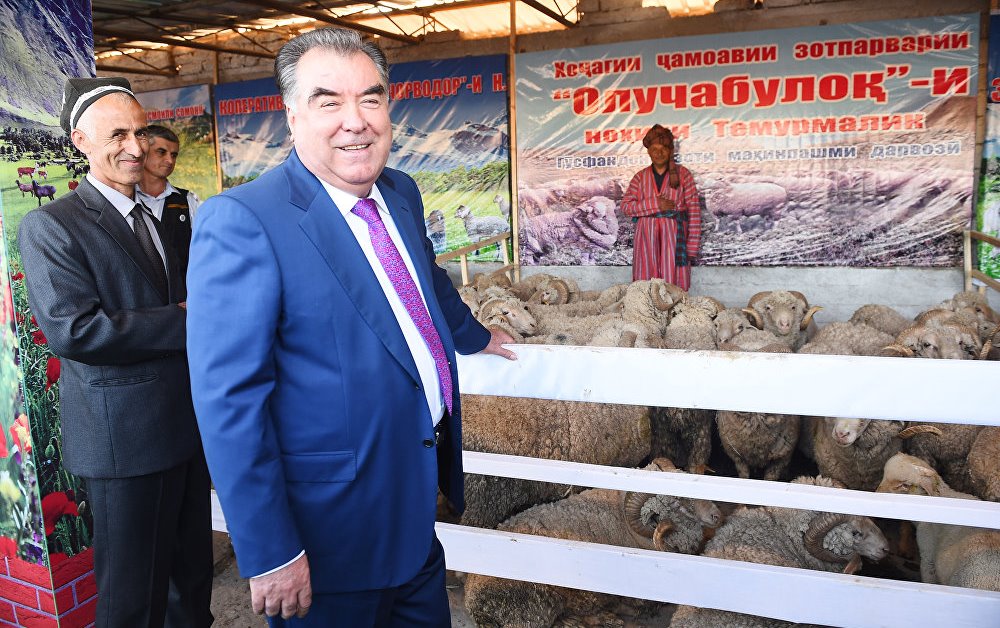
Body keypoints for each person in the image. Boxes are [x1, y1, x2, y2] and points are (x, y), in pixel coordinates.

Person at [185, 28, 517, 626]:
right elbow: (229, 403)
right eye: (328, 101)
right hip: (326, 541)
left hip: (414, 512)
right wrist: (271, 550)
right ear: (292, 117)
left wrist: (475, 336)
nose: (355, 121)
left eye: (370, 98)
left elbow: (425, 279)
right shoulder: (243, 220)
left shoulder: (400, 192)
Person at [16, 78, 213, 627]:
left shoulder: (154, 215)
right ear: (80, 141)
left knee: (191, 589)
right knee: (133, 605)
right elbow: (74, 331)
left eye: (140, 132)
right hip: (124, 442)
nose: (135, 147)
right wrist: (187, 319)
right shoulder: (51, 225)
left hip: (185, 430)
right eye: (117, 135)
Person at [620, 124, 702, 290]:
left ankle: (673, 306)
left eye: (663, 148)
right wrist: (656, 204)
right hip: (646, 239)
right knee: (645, 286)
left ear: (670, 150)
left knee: (673, 286)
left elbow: (694, 213)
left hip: (674, 240)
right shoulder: (640, 177)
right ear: (648, 151)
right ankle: (645, 306)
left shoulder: (683, 175)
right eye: (654, 149)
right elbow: (626, 207)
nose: (659, 153)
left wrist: (691, 247)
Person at [137, 124, 201, 280]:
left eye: (174, 155)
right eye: (161, 152)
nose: (170, 160)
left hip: (181, 292)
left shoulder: (188, 201)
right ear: (143, 152)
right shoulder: (125, 199)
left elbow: (203, 253)